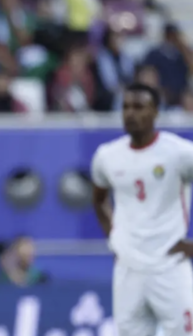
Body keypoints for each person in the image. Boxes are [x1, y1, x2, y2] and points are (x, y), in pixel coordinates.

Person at [91, 83, 193, 336]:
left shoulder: (179, 153)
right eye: (126, 107)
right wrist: (115, 238)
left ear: (155, 112)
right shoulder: (107, 156)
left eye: (139, 107)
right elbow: (99, 199)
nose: (130, 113)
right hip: (128, 269)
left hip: (169, 265)